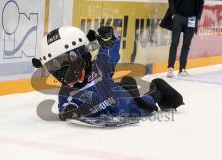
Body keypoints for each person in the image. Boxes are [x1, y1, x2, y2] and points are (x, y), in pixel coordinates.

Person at [32, 26, 184, 120]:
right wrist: (68, 112)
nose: (61, 73)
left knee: (145, 106)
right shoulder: (65, 92)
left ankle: (157, 89)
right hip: (108, 107)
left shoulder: (98, 68)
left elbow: (110, 55)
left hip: (124, 105)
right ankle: (125, 86)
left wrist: (110, 41)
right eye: (54, 67)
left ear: (82, 54)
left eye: (66, 62)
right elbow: (65, 108)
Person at [160, 0, 204, 78]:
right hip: (178, 17)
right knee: (174, 43)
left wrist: (198, 18)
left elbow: (201, 3)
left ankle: (182, 69)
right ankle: (170, 68)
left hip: (192, 18)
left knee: (186, 45)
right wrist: (173, 13)